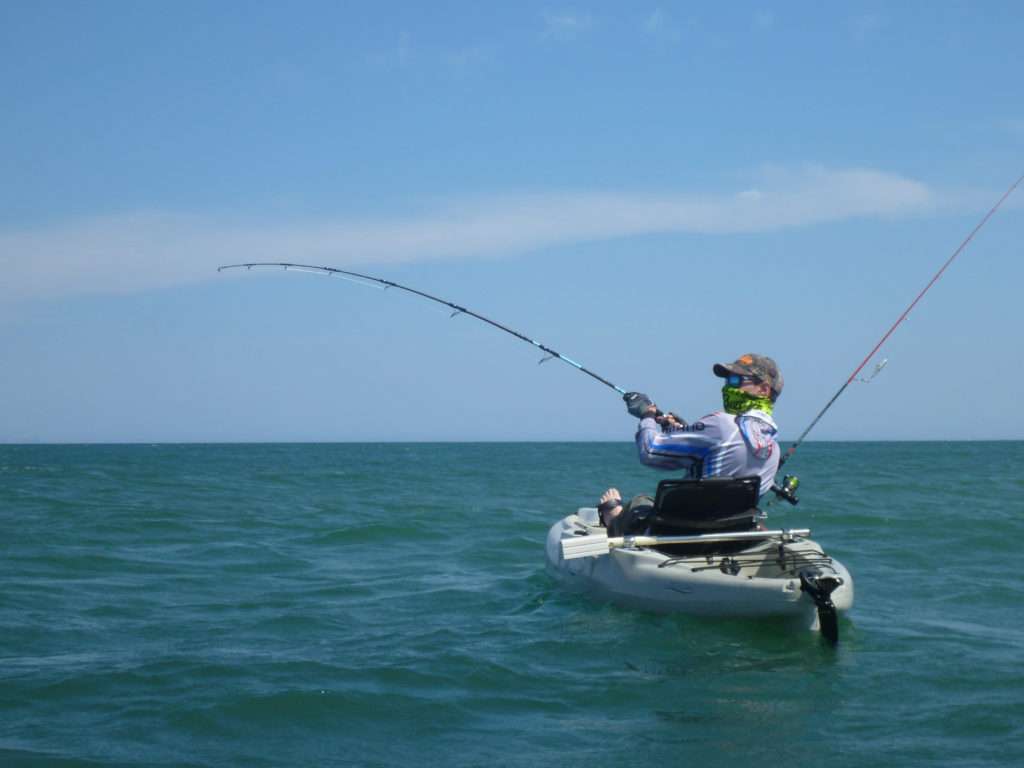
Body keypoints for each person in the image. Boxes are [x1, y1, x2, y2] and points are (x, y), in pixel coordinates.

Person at [598, 354, 783, 536]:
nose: (727, 387)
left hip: (682, 534)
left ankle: (613, 519)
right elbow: (719, 452)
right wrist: (682, 431)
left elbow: (650, 451)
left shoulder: (722, 425)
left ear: (763, 389)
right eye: (727, 380)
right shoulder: (773, 448)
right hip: (731, 535)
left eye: (735, 380)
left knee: (639, 503)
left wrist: (647, 416)